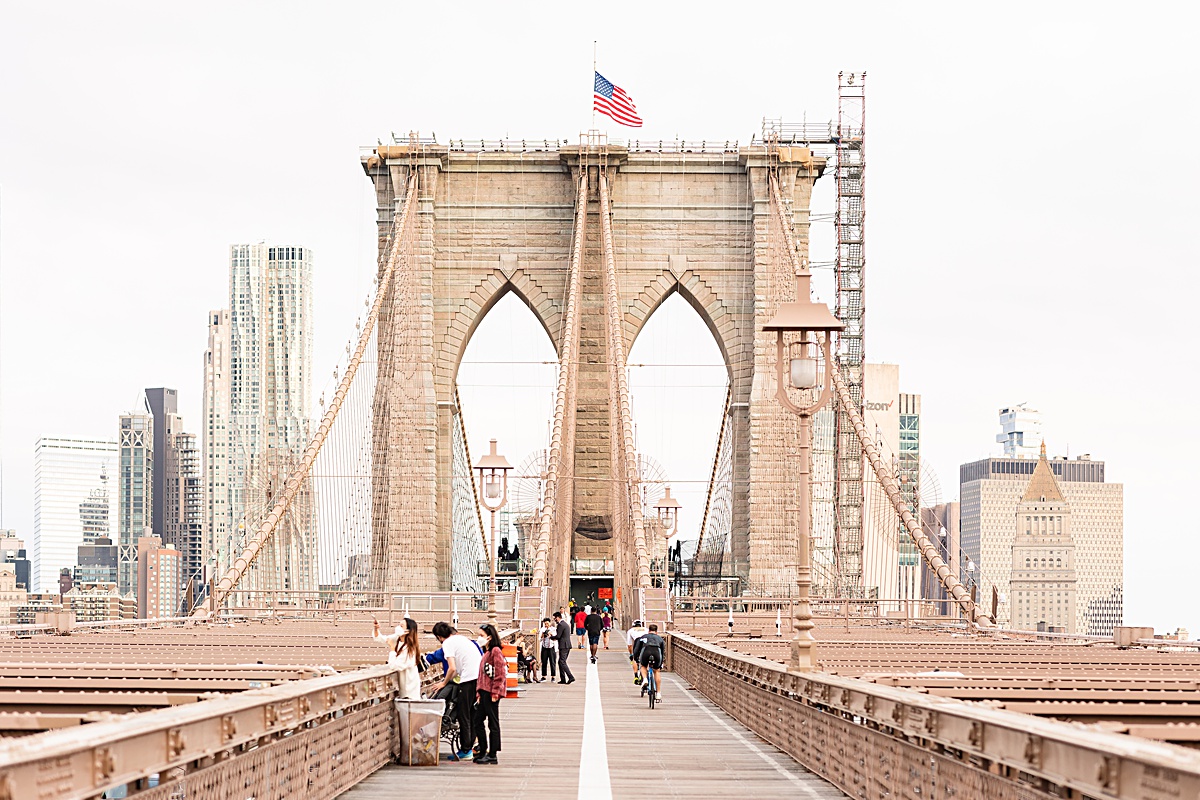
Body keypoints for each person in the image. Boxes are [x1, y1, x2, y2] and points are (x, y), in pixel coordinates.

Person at [432, 621, 483, 760]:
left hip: (468, 679)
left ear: (439, 637)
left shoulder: (447, 643)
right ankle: (470, 748)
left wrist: (443, 683)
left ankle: (466, 750)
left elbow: (452, 668)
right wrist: (446, 681)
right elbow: (456, 670)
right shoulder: (463, 639)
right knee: (472, 714)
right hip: (479, 677)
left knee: (463, 714)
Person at [473, 623, 507, 764]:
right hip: (484, 691)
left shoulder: (495, 651)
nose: (479, 638)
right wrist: (479, 693)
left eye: (481, 635)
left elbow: (500, 673)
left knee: (493, 722)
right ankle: (483, 749)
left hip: (491, 692)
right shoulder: (487, 652)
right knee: (477, 721)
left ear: (489, 637)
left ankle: (492, 754)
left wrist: (495, 692)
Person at [372, 617, 423, 699]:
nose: (398, 628)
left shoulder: (409, 650)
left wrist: (392, 649)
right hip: (403, 687)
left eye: (401, 626)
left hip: (409, 688)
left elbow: (394, 666)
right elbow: (381, 639)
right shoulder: (397, 638)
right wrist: (376, 628)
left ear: (407, 631)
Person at [634, 623, 666, 702]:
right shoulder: (660, 639)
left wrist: (636, 659)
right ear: (656, 631)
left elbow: (636, 649)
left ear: (649, 631)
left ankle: (645, 679)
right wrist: (661, 663)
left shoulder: (643, 637)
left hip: (646, 651)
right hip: (656, 652)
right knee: (656, 670)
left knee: (643, 666)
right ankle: (658, 693)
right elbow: (662, 652)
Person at [551, 611, 575, 684]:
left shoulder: (560, 625)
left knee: (562, 662)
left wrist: (551, 637)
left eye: (555, 618)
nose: (555, 620)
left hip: (563, 646)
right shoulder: (565, 624)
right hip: (567, 645)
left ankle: (570, 677)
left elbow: (558, 636)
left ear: (558, 617)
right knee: (560, 662)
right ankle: (563, 679)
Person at [626, 618, 648, 684]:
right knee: (645, 660)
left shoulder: (631, 630)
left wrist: (631, 654)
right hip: (646, 645)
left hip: (638, 644)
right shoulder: (646, 629)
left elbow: (629, 645)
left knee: (635, 660)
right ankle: (645, 675)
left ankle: (636, 676)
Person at [539, 617, 557, 681]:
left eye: (547, 623)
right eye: (545, 623)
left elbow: (555, 637)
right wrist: (543, 635)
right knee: (544, 662)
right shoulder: (542, 629)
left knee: (552, 662)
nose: (546, 625)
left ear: (549, 623)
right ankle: (544, 676)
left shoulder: (553, 629)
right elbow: (540, 639)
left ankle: (553, 676)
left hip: (551, 647)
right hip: (544, 647)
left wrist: (550, 634)